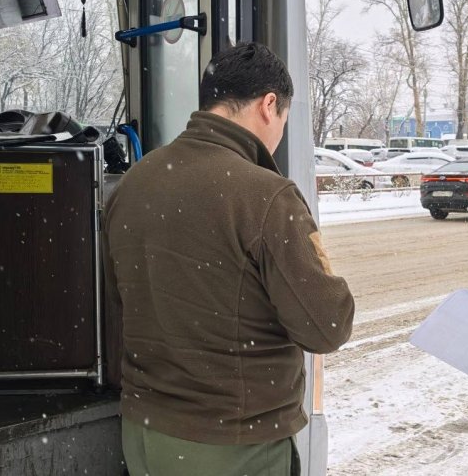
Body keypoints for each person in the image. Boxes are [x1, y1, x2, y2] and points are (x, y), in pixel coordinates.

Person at [103, 42, 355, 476]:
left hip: (144, 435)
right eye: (283, 120)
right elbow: (326, 327)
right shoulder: (265, 194)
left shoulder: (134, 182)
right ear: (269, 105)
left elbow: (118, 305)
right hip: (234, 445)